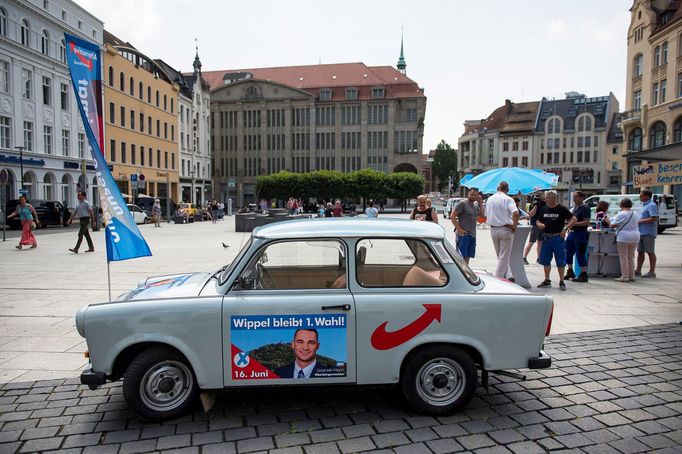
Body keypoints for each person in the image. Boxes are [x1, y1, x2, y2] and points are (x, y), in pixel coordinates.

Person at [536, 190, 577, 291]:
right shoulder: (544, 209)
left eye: (547, 198)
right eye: (545, 198)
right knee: (545, 260)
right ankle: (547, 279)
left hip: (558, 237)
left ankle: (561, 281)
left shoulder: (561, 209)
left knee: (560, 259)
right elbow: (537, 220)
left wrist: (565, 228)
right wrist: (539, 224)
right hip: (546, 237)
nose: (545, 199)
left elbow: (574, 219)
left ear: (553, 198)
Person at [485, 182, 519, 280]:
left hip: (493, 229)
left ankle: (509, 275)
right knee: (503, 256)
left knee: (500, 256)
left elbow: (487, 214)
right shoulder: (508, 199)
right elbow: (516, 213)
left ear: (497, 188)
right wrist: (514, 226)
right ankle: (498, 278)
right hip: (505, 229)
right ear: (507, 190)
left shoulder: (490, 199)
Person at [609, 198, 640, 283]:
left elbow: (612, 225)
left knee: (623, 257)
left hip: (624, 237)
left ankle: (625, 276)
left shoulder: (621, 214)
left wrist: (608, 221)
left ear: (621, 205)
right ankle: (632, 275)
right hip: (635, 236)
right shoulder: (635, 213)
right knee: (631, 257)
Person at [450, 188, 483, 264]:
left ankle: (465, 273)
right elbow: (452, 216)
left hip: (472, 235)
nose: (473, 196)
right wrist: (459, 229)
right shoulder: (462, 203)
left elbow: (482, 215)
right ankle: (459, 274)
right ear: (468, 194)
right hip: (463, 235)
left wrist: (480, 203)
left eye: (475, 195)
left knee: (468, 256)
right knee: (460, 257)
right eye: (471, 194)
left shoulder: (475, 206)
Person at [564, 191, 591, 283]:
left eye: (576, 197)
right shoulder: (576, 207)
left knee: (580, 253)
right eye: (574, 197)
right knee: (567, 251)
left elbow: (587, 222)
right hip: (572, 232)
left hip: (580, 233)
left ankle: (583, 273)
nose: (574, 199)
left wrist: (574, 223)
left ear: (581, 198)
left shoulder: (585, 207)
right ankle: (570, 270)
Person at [635, 189, 658, 278]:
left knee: (650, 251)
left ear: (647, 196)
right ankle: (638, 270)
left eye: (641, 195)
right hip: (641, 232)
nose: (639, 197)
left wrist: (639, 221)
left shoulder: (651, 205)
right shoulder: (644, 205)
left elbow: (653, 218)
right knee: (640, 251)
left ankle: (652, 271)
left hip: (648, 232)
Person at [524, 192, 545, 265]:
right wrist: (536, 205)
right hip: (534, 225)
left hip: (541, 225)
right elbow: (531, 214)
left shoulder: (543, 204)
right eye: (538, 196)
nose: (540, 197)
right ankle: (524, 257)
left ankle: (539, 258)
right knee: (531, 242)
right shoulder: (532, 204)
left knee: (540, 242)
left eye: (540, 196)